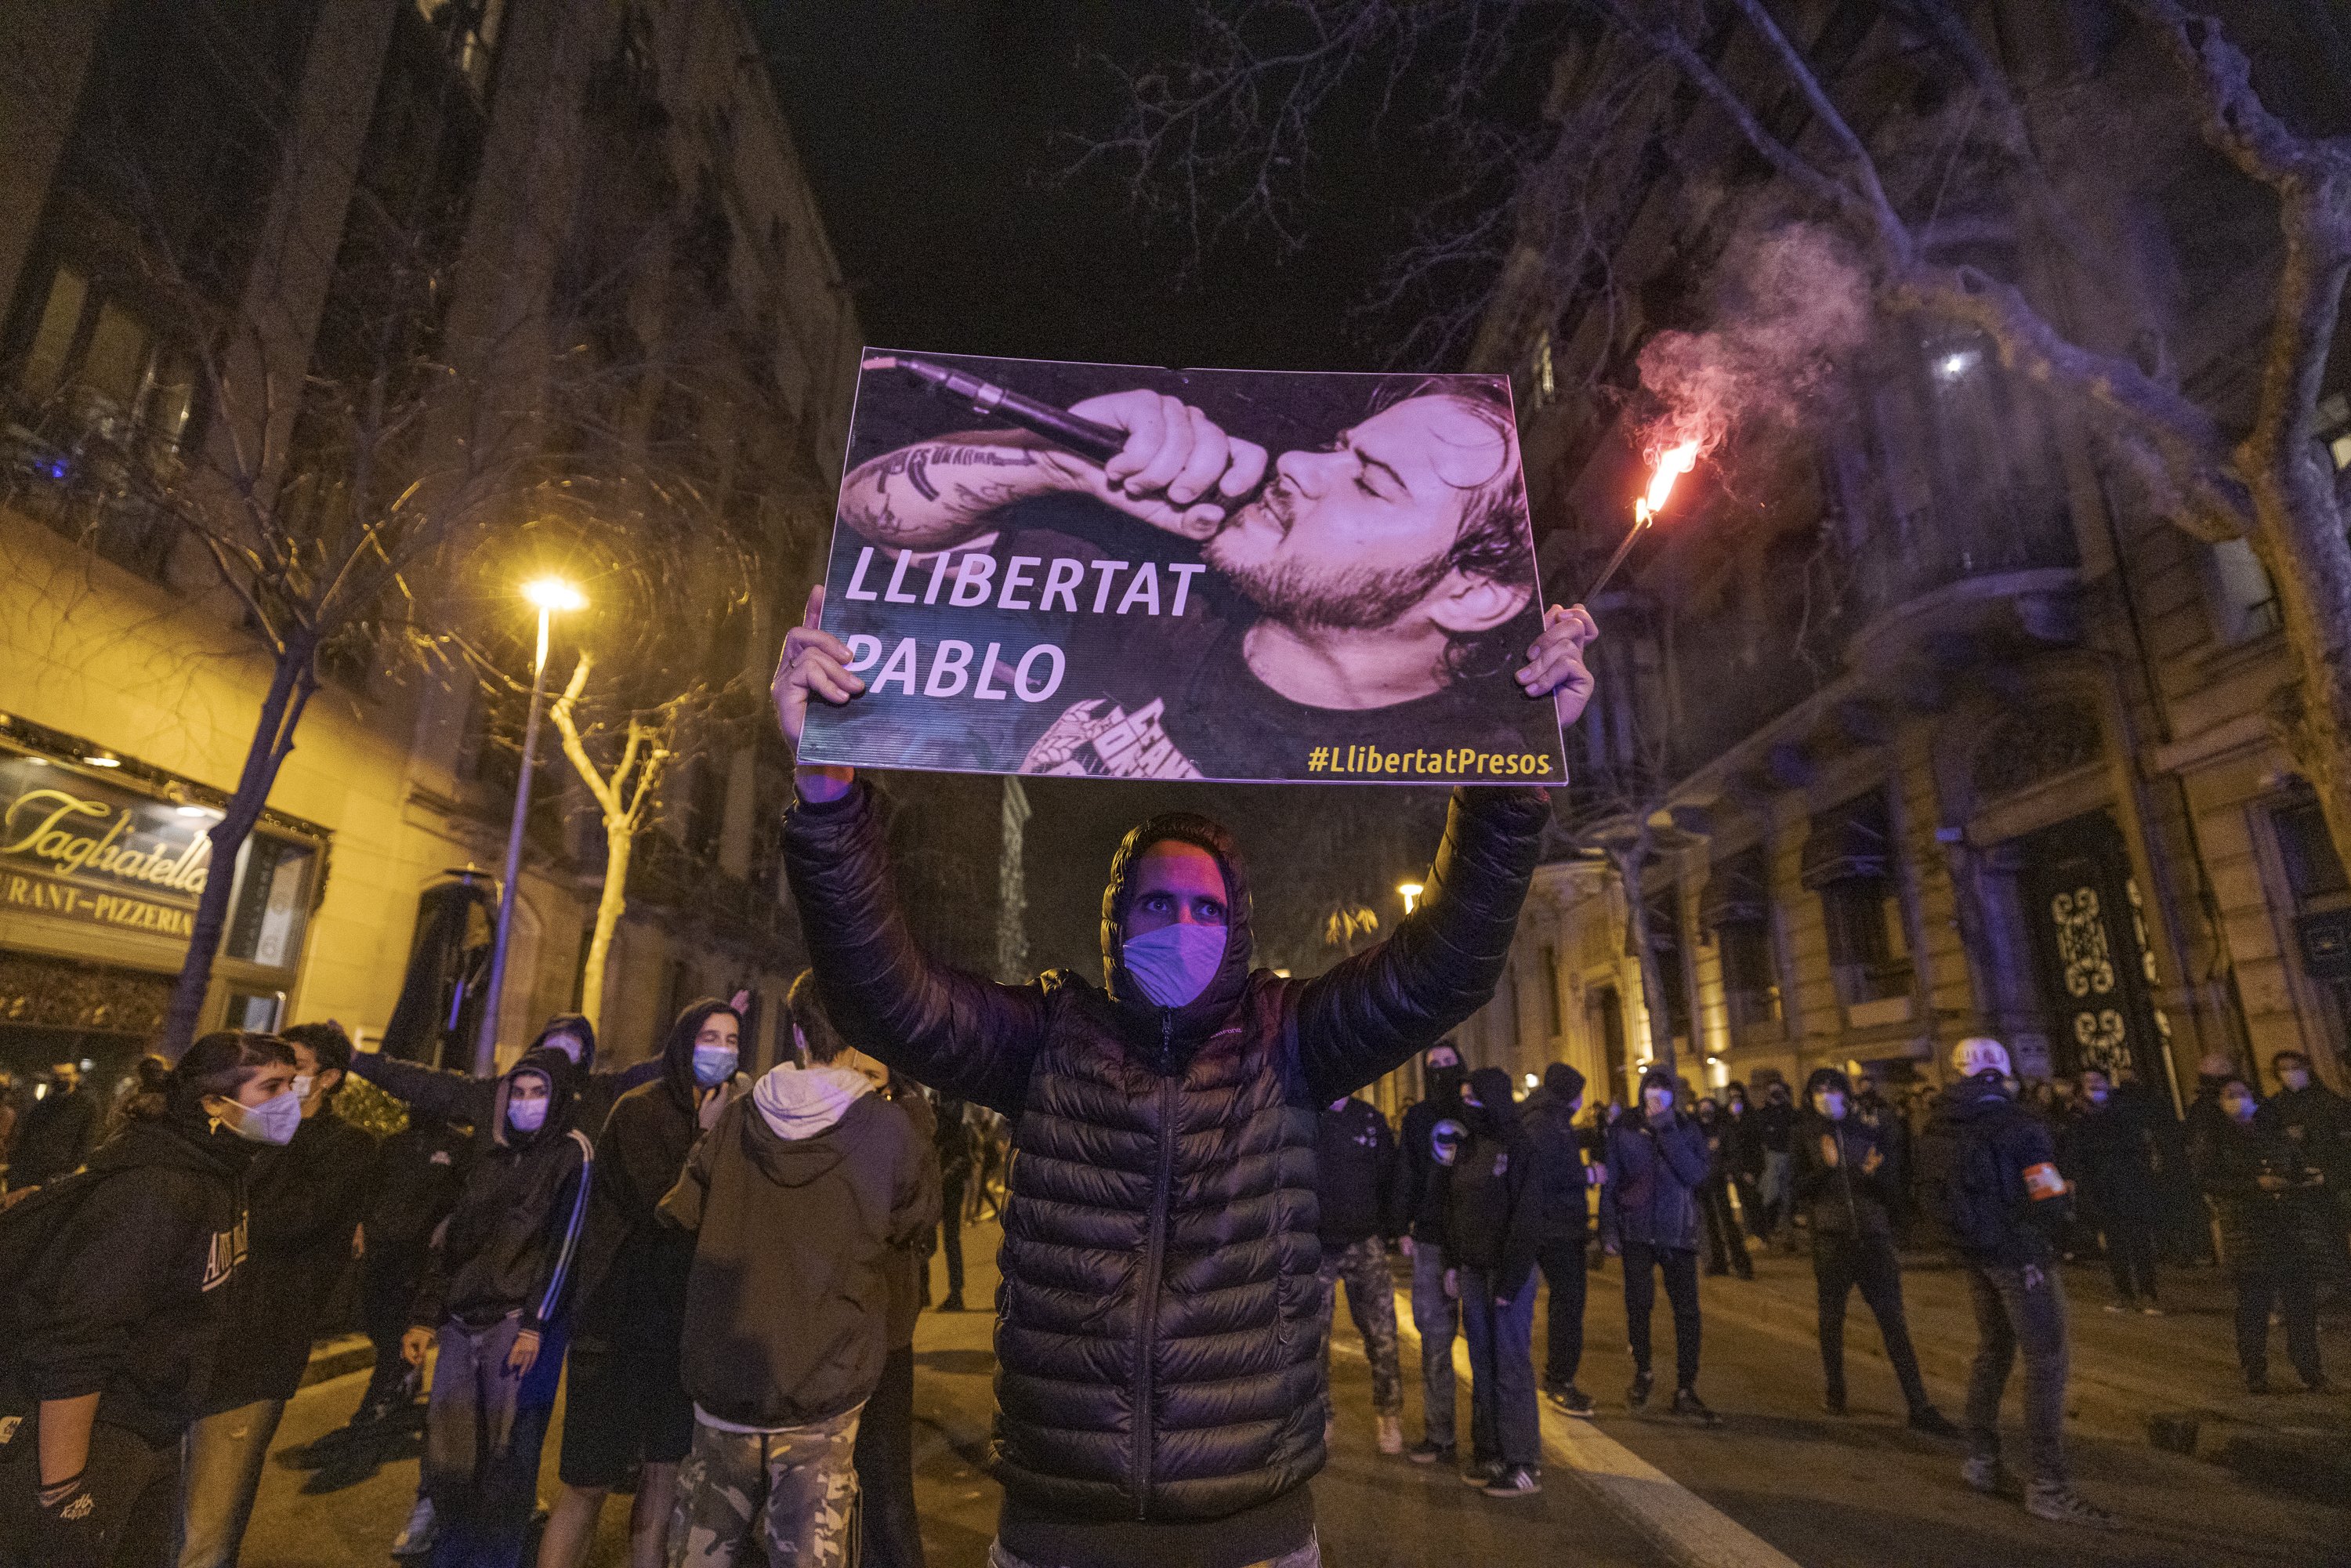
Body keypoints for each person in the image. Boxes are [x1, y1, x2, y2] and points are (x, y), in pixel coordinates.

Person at [773, 538, 1591, 1566]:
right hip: (1057, 1527)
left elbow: (1447, 968)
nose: (1182, 923)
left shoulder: (1289, 1042)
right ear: (1117, 921)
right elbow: (889, 1001)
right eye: (1157, 902)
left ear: (1238, 924)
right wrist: (830, 797)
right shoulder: (1046, 1041)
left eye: (1205, 906)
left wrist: (1511, 778)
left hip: (1250, 1528)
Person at [826, 378, 1551, 780]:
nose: (1298, 463)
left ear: (1474, 593)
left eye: (1372, 483)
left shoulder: (1465, 773)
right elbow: (867, 512)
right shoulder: (1144, 601)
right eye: (1338, 448)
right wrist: (1054, 459)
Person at [657, 980, 935, 1568]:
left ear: (799, 1033)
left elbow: (681, 1212)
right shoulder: (889, 1131)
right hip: (823, 1393)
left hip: (725, 1385)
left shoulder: (736, 1117)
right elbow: (915, 1223)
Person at [0, 1031, 299, 1568]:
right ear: (213, 1101)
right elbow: (82, 1338)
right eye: (272, 1086)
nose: (289, 1102)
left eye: (292, 1085)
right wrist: (62, 1487)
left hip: (155, 1426)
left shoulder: (223, 1171)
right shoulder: (158, 1188)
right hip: (102, 1431)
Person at [538, 1002, 747, 1568]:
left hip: (677, 1337)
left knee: (663, 1485)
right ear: (683, 1041)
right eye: (709, 1035)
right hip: (615, 1329)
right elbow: (665, 1208)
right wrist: (703, 1140)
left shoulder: (730, 1118)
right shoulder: (640, 1110)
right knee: (586, 1487)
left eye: (732, 1038)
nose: (721, 1049)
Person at [177, 1022, 377, 1568]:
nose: (282, 1092)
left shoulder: (345, 1147)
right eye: (271, 1081)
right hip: (189, 1340)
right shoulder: (241, 1137)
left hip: (257, 1348)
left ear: (329, 1078)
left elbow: (294, 1221)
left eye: (295, 1075)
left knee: (207, 1523)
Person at [398, 1048, 593, 1568]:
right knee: (450, 1458)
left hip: (513, 1325)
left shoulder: (570, 1154)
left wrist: (535, 1323)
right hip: (462, 1326)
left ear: (558, 1098)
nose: (526, 1104)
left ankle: (495, 1559)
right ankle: (452, 1553)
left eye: (539, 1093)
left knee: (505, 1461)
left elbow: (564, 1247)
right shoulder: (490, 1156)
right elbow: (453, 1236)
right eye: (519, 1093)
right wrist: (424, 1314)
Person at [1917, 1037, 2112, 1528]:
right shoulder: (2019, 1122)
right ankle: (2049, 1485)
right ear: (2002, 1073)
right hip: (2021, 1252)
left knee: (1995, 1349)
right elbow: (2043, 1192)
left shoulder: (1941, 1121)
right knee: (2046, 1360)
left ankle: (1982, 1459)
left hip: (1976, 1250)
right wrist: (2063, 1211)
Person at [1791, 1068, 1957, 1435]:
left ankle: (1919, 1404)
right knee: (1832, 1319)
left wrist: (1873, 1175)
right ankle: (1836, 1392)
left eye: (1832, 1088)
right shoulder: (1805, 1134)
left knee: (1893, 1320)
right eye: (1818, 1090)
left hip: (1873, 1238)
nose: (1825, 1095)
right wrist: (1825, 1171)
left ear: (1845, 1093)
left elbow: (1892, 1186)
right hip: (1831, 1240)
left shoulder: (1868, 1129)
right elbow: (1798, 1189)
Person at [350, 1014, 659, 1165]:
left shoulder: (602, 1093)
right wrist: (358, 1061)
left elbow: (657, 1071)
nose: (563, 1049)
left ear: (586, 1053)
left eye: (573, 1041)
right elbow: (432, 1085)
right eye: (556, 1039)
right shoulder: (500, 1093)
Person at [2193, 1072, 2332, 1394]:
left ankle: (2309, 1368)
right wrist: (2254, 1185)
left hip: (2288, 1227)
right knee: (2255, 1306)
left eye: (2243, 1093)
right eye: (2230, 1095)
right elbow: (2209, 1180)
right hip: (2249, 1231)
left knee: (2301, 1305)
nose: (2238, 1100)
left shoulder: (2271, 1132)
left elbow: (2293, 1165)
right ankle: (2254, 1369)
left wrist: (2307, 1178)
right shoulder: (2215, 1139)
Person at [339, 1113, 473, 1443]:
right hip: (384, 1248)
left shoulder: (458, 1148)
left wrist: (449, 1230)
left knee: (402, 1323)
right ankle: (406, 1376)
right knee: (377, 1319)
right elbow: (371, 1189)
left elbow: (466, 1199)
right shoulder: (395, 1145)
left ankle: (382, 1396)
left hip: (423, 1253)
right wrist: (362, 1225)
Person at [1446, 1068, 1547, 1497]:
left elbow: (1527, 1217)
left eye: (1475, 1098)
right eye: (1465, 1097)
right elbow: (1455, 1207)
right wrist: (1454, 1262)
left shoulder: (1520, 1146)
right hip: (1473, 1270)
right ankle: (1490, 1451)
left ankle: (1523, 1462)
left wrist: (1510, 1280)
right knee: (1483, 1366)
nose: (1468, 1105)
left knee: (1510, 1365)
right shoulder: (1469, 1147)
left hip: (1507, 1275)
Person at [860, 1048, 943, 1568]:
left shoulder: (907, 1121)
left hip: (886, 1327)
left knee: (886, 1480)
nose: (862, 1084)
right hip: (849, 1326)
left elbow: (918, 1210)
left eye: (872, 1074)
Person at [1604, 1066, 1718, 1425]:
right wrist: (1609, 1230)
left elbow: (1696, 1174)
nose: (1657, 1094)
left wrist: (1667, 1129)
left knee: (1687, 1311)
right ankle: (1643, 1373)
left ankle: (1686, 1386)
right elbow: (1612, 1181)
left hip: (1678, 1234)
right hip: (1637, 1232)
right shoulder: (1623, 1129)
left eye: (1663, 1089)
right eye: (1651, 1087)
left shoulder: (1685, 1128)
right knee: (1638, 1306)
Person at [1312, 1089, 1404, 1456]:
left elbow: (1391, 1176)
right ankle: (1321, 1418)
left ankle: (1390, 1415)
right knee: (1313, 1341)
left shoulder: (1370, 1119)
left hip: (1364, 1241)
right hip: (1317, 1246)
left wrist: (1388, 1228)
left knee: (1382, 1336)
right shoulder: (1308, 1116)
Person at [1395, 1042, 1472, 1465]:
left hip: (1475, 1238)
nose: (1442, 1071)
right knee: (1436, 1343)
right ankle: (1440, 1434)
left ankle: (1489, 1440)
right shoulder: (1419, 1118)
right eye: (1434, 1066)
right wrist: (1401, 1224)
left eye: (1448, 1064)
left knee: (1482, 1342)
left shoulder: (1473, 1110)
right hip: (1430, 1239)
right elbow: (1407, 1169)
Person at [1520, 1062, 1599, 1416]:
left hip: (1551, 1226)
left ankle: (1552, 1378)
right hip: (1556, 1228)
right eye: (1579, 1091)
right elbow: (1548, 1173)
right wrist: (1589, 1173)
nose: (1583, 1099)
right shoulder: (1546, 1122)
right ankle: (1559, 1381)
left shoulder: (1542, 1116)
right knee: (1568, 1304)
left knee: (1556, 1303)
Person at [2059, 1067, 2165, 1314]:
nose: (2095, 1085)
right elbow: (2076, 1154)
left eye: (2098, 1080)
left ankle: (2148, 1294)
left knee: (2139, 1240)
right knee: (2115, 1242)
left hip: (2131, 1181)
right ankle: (2124, 1293)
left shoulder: (2124, 1109)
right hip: (2101, 1188)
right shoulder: (2077, 1118)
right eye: (2088, 1082)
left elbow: (2138, 1139)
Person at [2259, 1049, 2351, 1269]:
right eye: (2283, 1069)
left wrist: (2328, 1174)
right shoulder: (2274, 1107)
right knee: (2315, 1242)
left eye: (2294, 1067)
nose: (2289, 1073)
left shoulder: (2330, 1102)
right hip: (2297, 1185)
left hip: (2332, 1183)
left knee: (2338, 1235)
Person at [10, 1059, 100, 1190]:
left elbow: (86, 1141)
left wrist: (70, 1171)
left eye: (66, 1075)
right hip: (30, 1172)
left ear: (76, 1077)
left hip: (58, 1176)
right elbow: (27, 1136)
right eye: (57, 1076)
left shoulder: (86, 1106)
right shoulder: (43, 1104)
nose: (61, 1079)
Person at [1692, 1097, 1753, 1280]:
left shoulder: (1723, 1129)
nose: (1706, 1111)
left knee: (1728, 1224)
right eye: (1702, 1108)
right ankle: (1717, 1263)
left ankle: (1741, 1263)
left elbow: (1733, 1153)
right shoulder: (1695, 1133)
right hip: (1702, 1184)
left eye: (1708, 1107)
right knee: (1709, 1226)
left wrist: (1725, 1170)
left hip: (1718, 1182)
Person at [932, 1092, 975, 1312]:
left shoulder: (956, 1129)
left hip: (949, 1190)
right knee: (926, 1238)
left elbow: (963, 1161)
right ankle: (923, 1292)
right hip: (940, 1188)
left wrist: (942, 1179)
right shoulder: (941, 1126)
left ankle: (956, 1294)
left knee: (950, 1240)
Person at [1753, 1079, 1799, 1250]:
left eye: (1778, 1090)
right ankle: (1766, 1233)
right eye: (1772, 1090)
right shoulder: (1763, 1114)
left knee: (1787, 1197)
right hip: (1771, 1156)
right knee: (1770, 1196)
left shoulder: (1790, 1112)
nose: (1775, 1093)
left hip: (1789, 1156)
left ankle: (1788, 1235)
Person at [1721, 1082, 1763, 1239]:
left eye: (1737, 1096)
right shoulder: (1726, 1119)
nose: (1735, 1100)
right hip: (1737, 1168)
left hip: (1752, 1167)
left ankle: (1760, 1234)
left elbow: (1755, 1145)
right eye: (1731, 1097)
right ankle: (1751, 1233)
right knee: (1743, 1201)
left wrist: (1751, 1170)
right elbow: (1728, 1148)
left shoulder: (1751, 1117)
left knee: (1755, 1201)